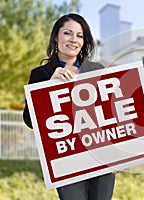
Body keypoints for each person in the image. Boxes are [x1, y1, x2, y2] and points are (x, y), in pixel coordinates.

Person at [22, 13, 115, 200]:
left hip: (101, 155)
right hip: (66, 159)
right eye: (68, 33)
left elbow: (111, 114)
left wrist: (120, 155)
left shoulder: (97, 70)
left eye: (79, 36)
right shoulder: (41, 74)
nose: (74, 40)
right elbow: (30, 121)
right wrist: (49, 85)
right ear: (56, 36)